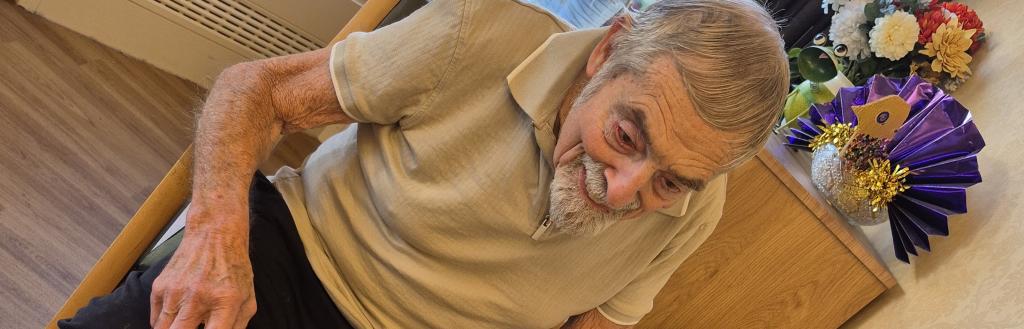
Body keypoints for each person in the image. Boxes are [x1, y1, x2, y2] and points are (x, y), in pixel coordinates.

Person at [60, 0, 788, 328]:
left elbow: (597, 321)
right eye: (628, 136)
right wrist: (212, 244)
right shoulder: (482, 29)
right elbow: (256, 91)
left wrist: (668, 180)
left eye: (669, 181)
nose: (625, 192)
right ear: (607, 51)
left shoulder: (697, 203)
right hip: (298, 261)